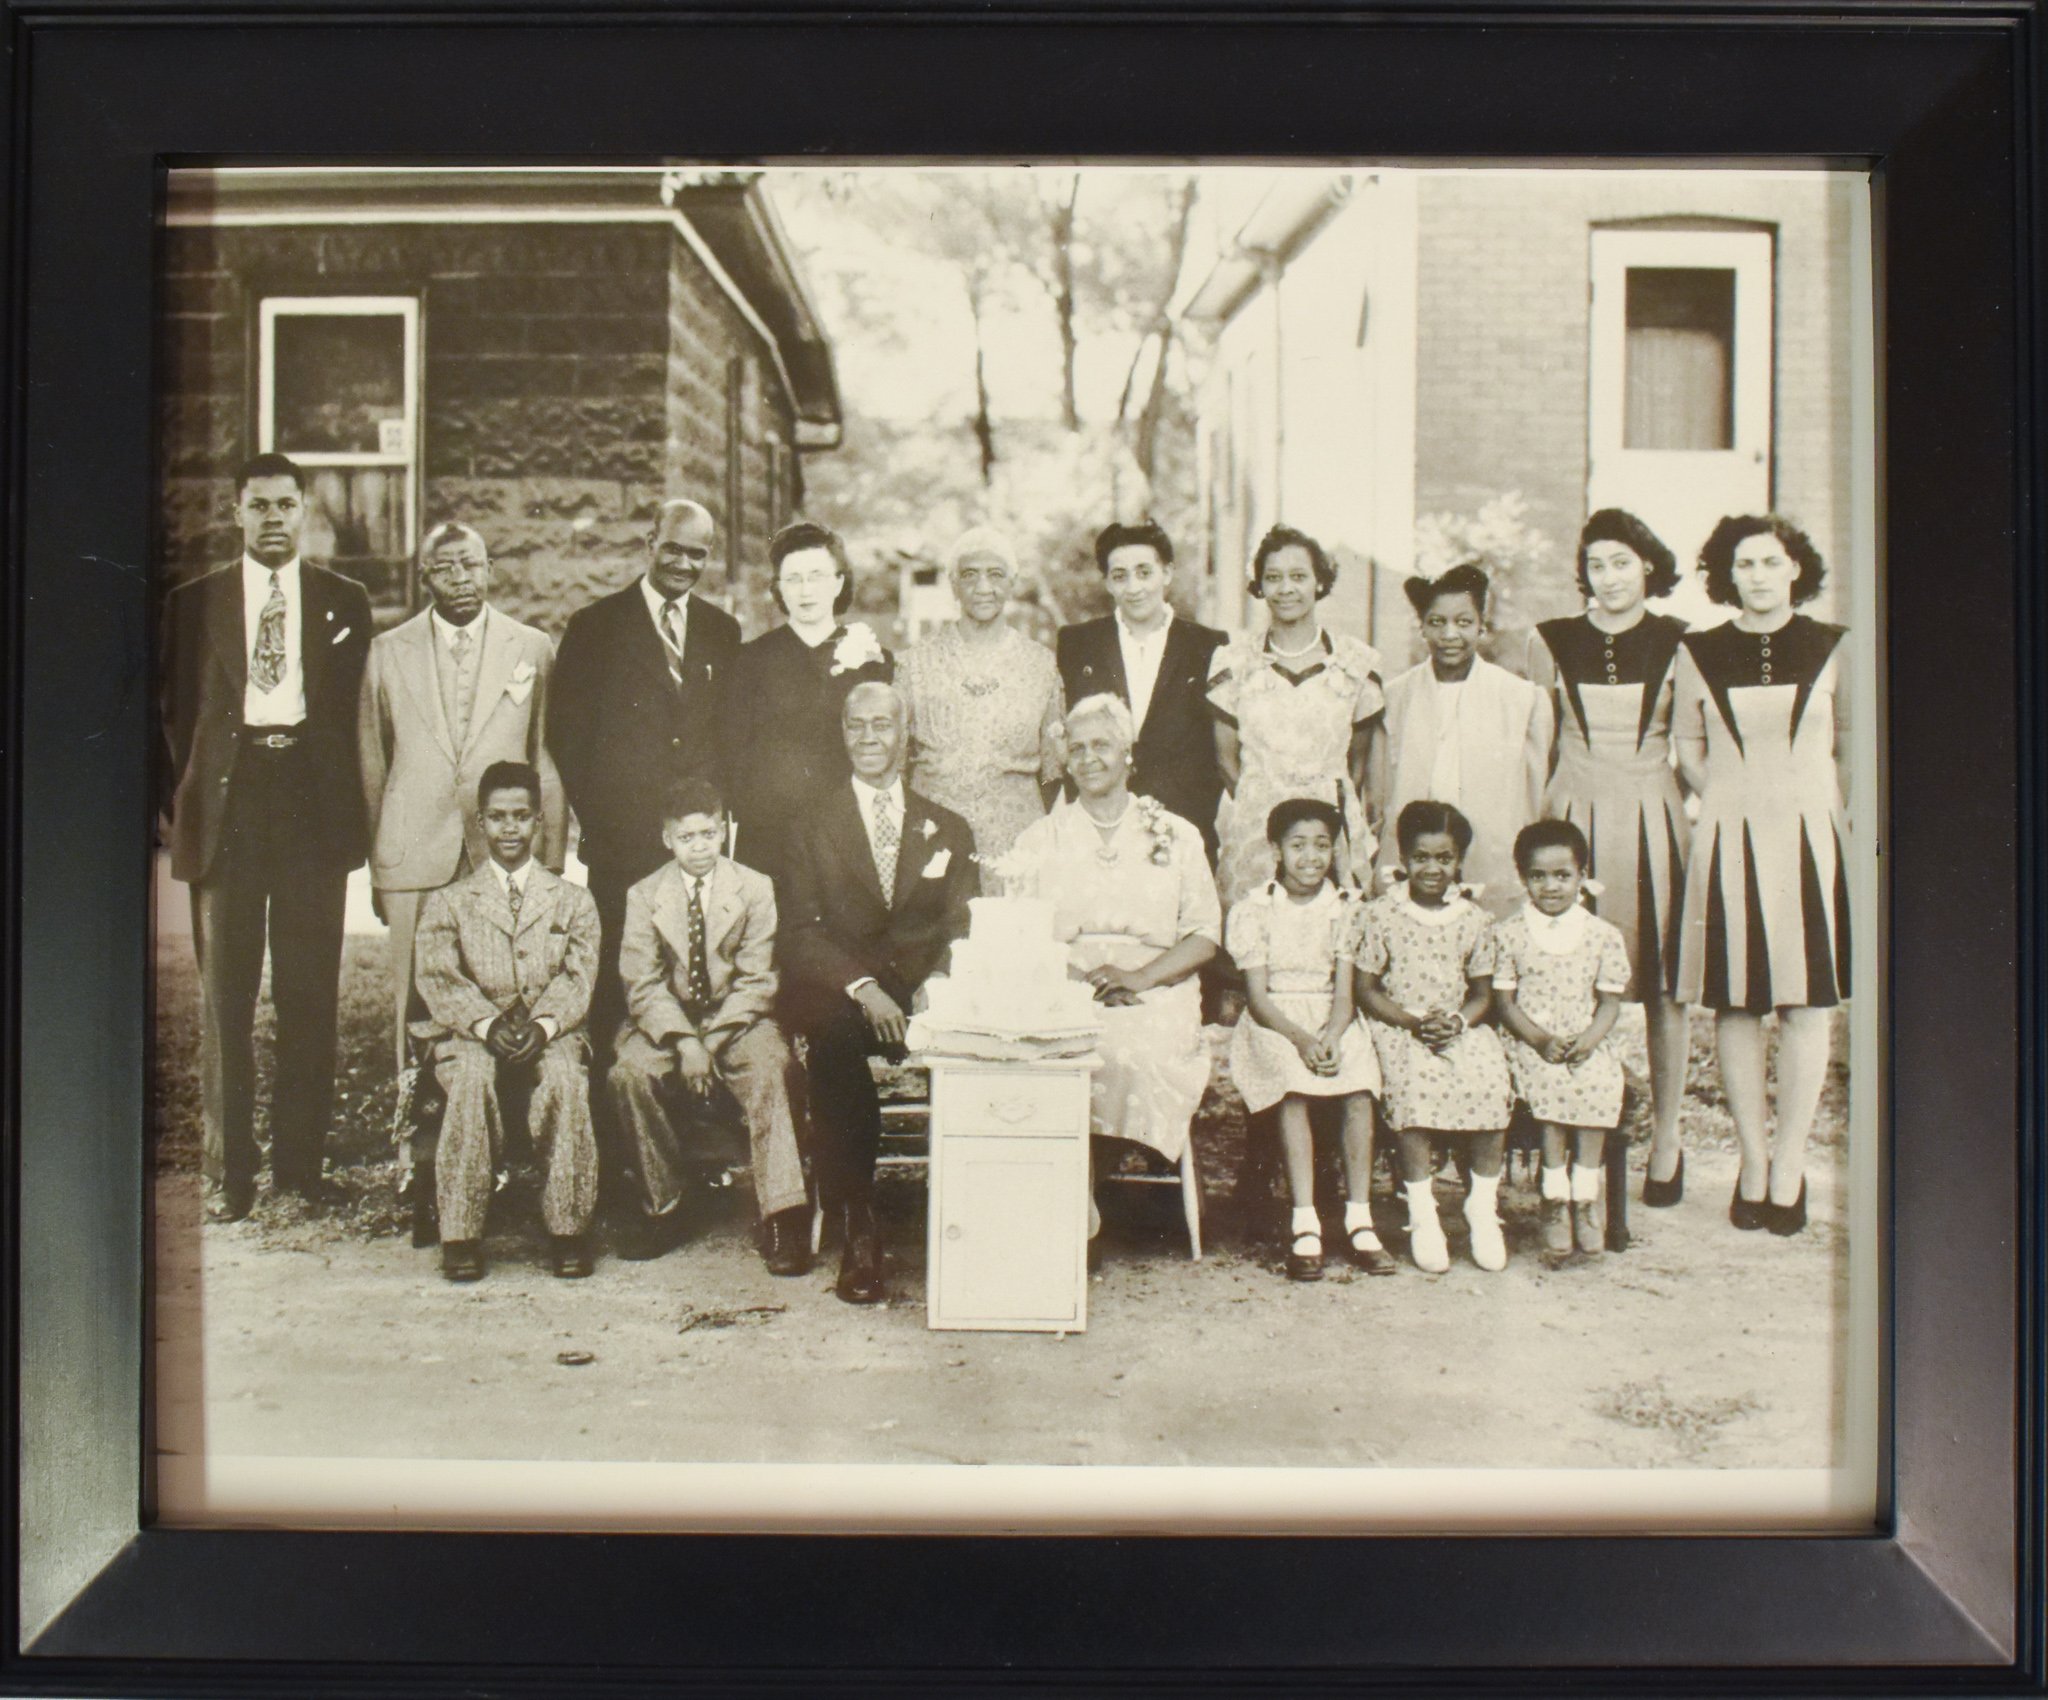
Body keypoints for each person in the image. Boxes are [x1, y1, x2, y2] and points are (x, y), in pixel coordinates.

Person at [159, 452, 372, 1221]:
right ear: (237, 511)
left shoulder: (343, 598)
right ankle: (231, 1174)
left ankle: (301, 1170)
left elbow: (352, 715)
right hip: (230, 806)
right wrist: (187, 798)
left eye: (286, 505)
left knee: (310, 994)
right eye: (259, 506)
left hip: (312, 809)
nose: (274, 518)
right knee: (227, 1000)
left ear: (304, 510)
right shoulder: (193, 604)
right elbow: (169, 715)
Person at [1672, 515, 1850, 1236]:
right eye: (1743, 564)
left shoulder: (1835, 645)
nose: (1757, 575)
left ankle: (1791, 1165)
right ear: (1727, 575)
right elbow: (1687, 744)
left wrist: (1818, 805)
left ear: (1795, 570)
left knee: (1807, 1003)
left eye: (1770, 562)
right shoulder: (1699, 650)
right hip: (1730, 833)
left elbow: (1857, 746)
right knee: (1738, 1003)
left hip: (1812, 836)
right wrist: (1733, 796)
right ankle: (1750, 1162)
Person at [779, 681, 979, 1303]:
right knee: (834, 1043)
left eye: (882, 725)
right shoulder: (811, 825)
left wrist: (939, 983)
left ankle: (975, 1220)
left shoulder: (947, 826)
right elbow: (800, 930)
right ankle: (858, 1222)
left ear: (905, 736)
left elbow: (962, 921)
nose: (869, 738)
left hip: (926, 994)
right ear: (842, 735)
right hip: (846, 991)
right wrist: (864, 988)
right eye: (856, 726)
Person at [1000, 694, 1221, 1251]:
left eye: (1102, 745)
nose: (1090, 758)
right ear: (1065, 762)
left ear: (1129, 754)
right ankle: (1078, 1204)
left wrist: (1140, 978)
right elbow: (1019, 933)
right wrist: (1078, 980)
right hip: (1063, 984)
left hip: (1157, 988)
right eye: (1077, 749)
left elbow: (1204, 934)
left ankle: (1076, 1202)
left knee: (1130, 1049)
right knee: (1057, 1049)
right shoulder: (1039, 840)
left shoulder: (1175, 833)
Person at [1526, 509, 1692, 1203]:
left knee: (1659, 984)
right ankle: (1558, 1134)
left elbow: (1694, 743)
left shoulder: (1683, 641)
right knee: (1561, 976)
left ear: (1647, 566)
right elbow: (1540, 745)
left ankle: (1669, 1142)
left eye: (1622, 562)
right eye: (1596, 564)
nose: (1610, 577)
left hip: (1655, 817)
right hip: (1573, 816)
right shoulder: (1550, 640)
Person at [358, 521, 565, 1075]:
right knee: (415, 999)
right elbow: (374, 762)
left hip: (502, 849)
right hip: (413, 856)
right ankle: (414, 1136)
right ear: (423, 576)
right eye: (445, 566)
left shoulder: (532, 647)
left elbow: (545, 755)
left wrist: (551, 856)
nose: (460, 578)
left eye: (470, 564)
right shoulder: (386, 652)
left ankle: (503, 1131)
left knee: (507, 990)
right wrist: (381, 864)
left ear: (490, 569)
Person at [546, 498, 741, 1049]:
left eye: (697, 554)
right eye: (673, 548)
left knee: (693, 968)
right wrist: (607, 820)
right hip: (622, 844)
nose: (683, 563)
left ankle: (689, 1104)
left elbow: (729, 737)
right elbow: (567, 737)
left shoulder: (722, 632)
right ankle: (613, 1117)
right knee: (621, 976)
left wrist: (710, 823)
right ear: (649, 543)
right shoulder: (595, 627)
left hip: (696, 843)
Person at [606, 779, 812, 1276]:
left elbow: (758, 978)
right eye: (686, 837)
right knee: (628, 1075)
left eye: (707, 835)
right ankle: (666, 1203)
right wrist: (683, 1041)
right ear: (666, 839)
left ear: (723, 832)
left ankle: (782, 1213)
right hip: (668, 1022)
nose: (698, 848)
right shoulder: (645, 894)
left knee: (771, 1067)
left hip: (735, 1018)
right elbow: (642, 983)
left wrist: (712, 1041)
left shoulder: (755, 886)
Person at [410, 762, 603, 1282]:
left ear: (540, 821)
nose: (510, 829)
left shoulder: (573, 901)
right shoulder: (449, 901)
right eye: (498, 818)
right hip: (472, 1034)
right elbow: (439, 978)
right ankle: (461, 1231)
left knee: (564, 1078)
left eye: (521, 817)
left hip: (551, 1031)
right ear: (480, 823)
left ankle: (568, 1228)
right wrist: (484, 1024)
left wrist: (542, 1026)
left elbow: (578, 977)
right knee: (471, 1080)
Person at [1225, 798, 1390, 1281]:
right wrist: (1301, 1040)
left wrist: (1334, 1035)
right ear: (1276, 848)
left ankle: (1360, 1219)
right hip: (1276, 1023)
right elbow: (1257, 998)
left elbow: (1345, 993)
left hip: (1331, 1018)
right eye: (1298, 845)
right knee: (1294, 1090)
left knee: (1360, 1087)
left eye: (1322, 846)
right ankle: (1305, 1223)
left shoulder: (1346, 908)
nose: (1311, 857)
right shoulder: (1255, 910)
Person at [1353, 801, 1515, 1273]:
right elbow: (1366, 988)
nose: (1432, 868)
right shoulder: (1381, 914)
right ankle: (1423, 1213)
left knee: (1489, 1078)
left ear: (1459, 860)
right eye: (1421, 857)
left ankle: (1481, 1209)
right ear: (1403, 857)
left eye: (1444, 859)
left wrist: (1460, 1022)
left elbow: (1482, 992)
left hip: (1457, 1024)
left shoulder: (1473, 918)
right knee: (1414, 1085)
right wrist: (1410, 1022)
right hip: (1400, 1023)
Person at [1209, 524, 1386, 907]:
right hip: (1258, 828)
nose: (1285, 588)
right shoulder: (1234, 662)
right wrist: (1262, 803)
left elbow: (1357, 763)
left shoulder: (1356, 664)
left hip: (1329, 830)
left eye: (1298, 576)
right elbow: (1225, 759)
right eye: (1273, 578)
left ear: (1320, 582)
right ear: (1260, 586)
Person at [1490, 821, 1633, 1258]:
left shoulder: (1602, 935)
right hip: (1531, 1041)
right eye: (1538, 876)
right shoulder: (1509, 934)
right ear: (1523, 877)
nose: (1550, 886)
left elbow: (1609, 1002)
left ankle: (1585, 1197)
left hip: (1584, 1037)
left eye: (1562, 875)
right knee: (1549, 1082)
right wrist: (1537, 1039)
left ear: (1581, 875)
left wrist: (1589, 1040)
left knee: (1597, 1080)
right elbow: (1504, 1002)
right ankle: (1554, 1197)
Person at [1375, 562, 1550, 919]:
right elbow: (1381, 791)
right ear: (1421, 627)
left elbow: (1535, 793)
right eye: (1437, 622)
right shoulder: (1395, 698)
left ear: (1482, 626)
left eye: (1463, 622)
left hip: (1489, 854)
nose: (1450, 634)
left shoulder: (1520, 699)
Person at [729, 521, 893, 887]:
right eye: (794, 579)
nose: (806, 590)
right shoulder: (750, 661)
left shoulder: (875, 661)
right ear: (779, 589)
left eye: (817, 576)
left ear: (837, 582)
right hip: (770, 842)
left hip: (848, 839)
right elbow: (734, 755)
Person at [1054, 519, 1227, 861]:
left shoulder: (1208, 646)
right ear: (1107, 582)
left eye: (1144, 572)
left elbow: (1218, 751)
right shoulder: (1077, 644)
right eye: (1120, 576)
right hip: (1099, 830)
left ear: (1167, 573)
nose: (1134, 587)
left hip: (1182, 828)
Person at [897, 525, 1066, 862]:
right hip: (934, 842)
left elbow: (1054, 773)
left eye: (996, 575)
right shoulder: (914, 663)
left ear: (1012, 583)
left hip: (1017, 844)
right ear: (953, 585)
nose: (983, 587)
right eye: (970, 575)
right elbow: (897, 764)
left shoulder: (1041, 666)